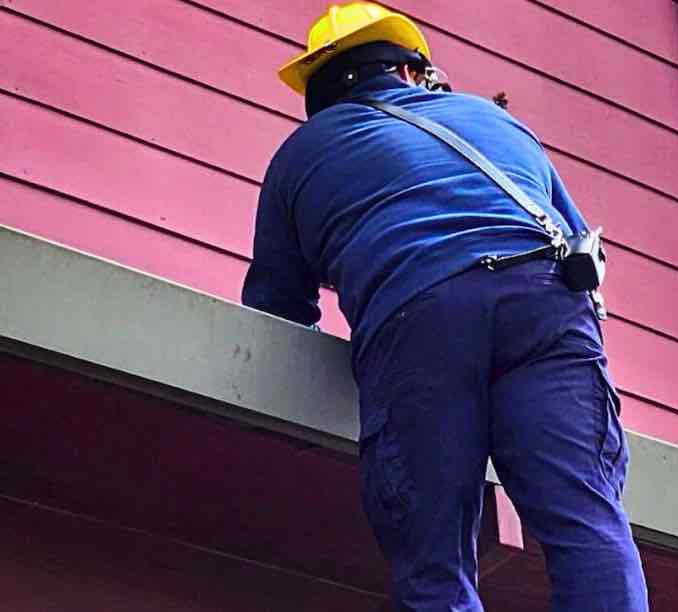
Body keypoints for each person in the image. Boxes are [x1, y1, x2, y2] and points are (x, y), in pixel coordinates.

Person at [240, 3, 649, 610]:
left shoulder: (301, 155)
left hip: (418, 316)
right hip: (546, 303)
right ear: (410, 72)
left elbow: (275, 307)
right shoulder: (497, 122)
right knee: (587, 520)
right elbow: (576, 237)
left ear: (318, 94)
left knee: (435, 562)